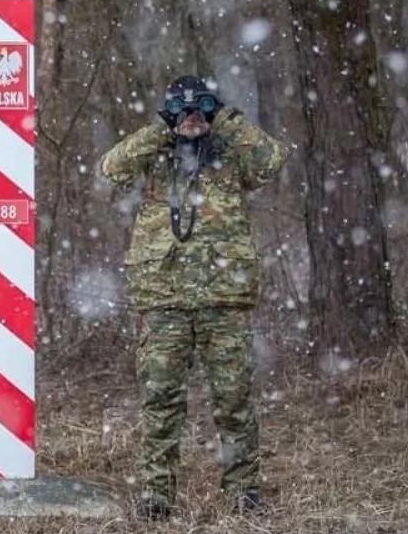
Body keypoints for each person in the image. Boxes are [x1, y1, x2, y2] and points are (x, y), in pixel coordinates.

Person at [98, 76, 287, 520]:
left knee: (234, 398)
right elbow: (111, 167)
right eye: (182, 111)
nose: (191, 118)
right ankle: (156, 496)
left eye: (199, 109)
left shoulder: (231, 155)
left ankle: (244, 492)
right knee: (161, 400)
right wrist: (161, 127)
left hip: (224, 299)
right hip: (164, 301)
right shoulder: (155, 157)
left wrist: (223, 117)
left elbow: (272, 160)